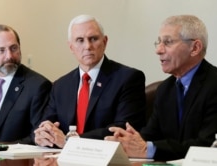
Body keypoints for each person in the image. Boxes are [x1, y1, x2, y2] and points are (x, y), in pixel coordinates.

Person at [105, 15, 217, 160]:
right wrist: (129, 141)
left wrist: (147, 149)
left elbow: (210, 145)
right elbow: (150, 136)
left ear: (195, 48)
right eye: (159, 42)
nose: (159, 50)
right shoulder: (165, 89)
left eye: (168, 42)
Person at [34, 14, 146, 148]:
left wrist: (71, 141)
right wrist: (44, 134)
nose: (87, 46)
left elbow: (121, 129)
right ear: (71, 47)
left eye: (93, 39)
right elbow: (48, 122)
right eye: (80, 40)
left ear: (104, 42)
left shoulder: (128, 78)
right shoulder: (61, 85)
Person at [0, 24, 52, 144]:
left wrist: (1, 148)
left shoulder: (38, 86)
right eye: (1, 50)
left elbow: (38, 136)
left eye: (13, 48)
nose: (9, 56)